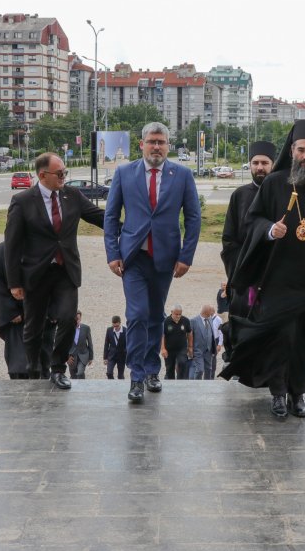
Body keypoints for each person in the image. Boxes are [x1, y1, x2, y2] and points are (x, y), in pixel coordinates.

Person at [220, 119, 305, 418]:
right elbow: (252, 220)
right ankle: (277, 394)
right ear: (292, 150)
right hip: (275, 280)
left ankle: (297, 394)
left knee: (303, 343)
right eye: (301, 150)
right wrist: (268, 230)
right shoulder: (275, 183)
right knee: (278, 341)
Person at [104, 122, 201, 403]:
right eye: (151, 141)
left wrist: (186, 256)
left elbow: (193, 218)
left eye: (161, 142)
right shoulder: (124, 173)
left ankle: (151, 371)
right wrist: (112, 253)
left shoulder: (181, 174)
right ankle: (136, 377)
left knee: (156, 315)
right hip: (133, 258)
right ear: (141, 144)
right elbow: (110, 217)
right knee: (136, 315)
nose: (156, 147)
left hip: (165, 258)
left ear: (168, 146)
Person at [5, 152, 105, 389]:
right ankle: (33, 368)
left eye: (65, 172)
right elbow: (12, 244)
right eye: (60, 173)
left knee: (68, 318)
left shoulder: (72, 195)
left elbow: (100, 217)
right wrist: (14, 282)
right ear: (43, 175)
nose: (64, 177)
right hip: (36, 274)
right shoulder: (22, 201)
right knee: (34, 327)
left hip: (65, 271)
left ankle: (58, 369)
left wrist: (131, 224)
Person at [221, 141, 275, 357]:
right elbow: (228, 240)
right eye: (255, 163)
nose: (260, 167)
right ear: (250, 165)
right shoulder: (239, 195)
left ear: (273, 164)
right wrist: (240, 270)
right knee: (243, 333)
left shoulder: (283, 194)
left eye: (264, 163)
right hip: (245, 278)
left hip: (274, 277)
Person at [0, 242, 28, 379]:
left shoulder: (41, 244)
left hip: (38, 314)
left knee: (41, 363)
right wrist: (10, 311)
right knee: (19, 364)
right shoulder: (1, 250)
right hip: (16, 319)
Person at [189, 304, 223, 380]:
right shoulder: (193, 321)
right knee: (200, 370)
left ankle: (207, 386)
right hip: (198, 351)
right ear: (206, 312)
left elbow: (212, 334)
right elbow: (190, 336)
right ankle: (196, 384)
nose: (212, 314)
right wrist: (190, 348)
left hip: (208, 351)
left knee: (209, 370)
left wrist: (215, 347)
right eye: (210, 312)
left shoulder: (210, 319)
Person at [161, 305, 193, 380]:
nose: (178, 316)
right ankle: (170, 384)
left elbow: (189, 333)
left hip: (182, 349)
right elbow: (162, 336)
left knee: (182, 363)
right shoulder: (166, 321)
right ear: (171, 312)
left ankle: (180, 382)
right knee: (169, 369)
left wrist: (190, 346)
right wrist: (163, 348)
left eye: (180, 314)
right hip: (169, 350)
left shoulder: (185, 320)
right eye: (176, 314)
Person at [68, 311, 94, 379]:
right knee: (73, 376)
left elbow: (90, 343)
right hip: (71, 357)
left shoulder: (86, 328)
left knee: (80, 373)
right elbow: (64, 345)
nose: (77, 321)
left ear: (80, 318)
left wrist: (91, 357)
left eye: (78, 319)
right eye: (75, 319)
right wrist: (66, 357)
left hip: (83, 355)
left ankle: (82, 388)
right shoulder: (67, 329)